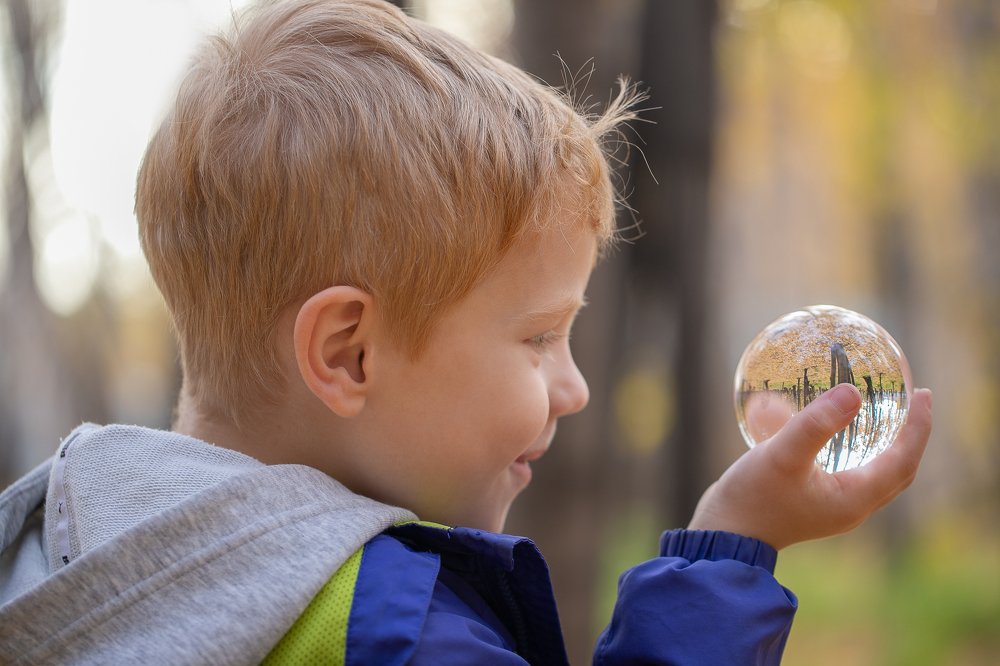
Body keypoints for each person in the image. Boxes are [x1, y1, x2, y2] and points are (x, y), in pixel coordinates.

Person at [0, 0, 933, 663]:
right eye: (537, 339)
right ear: (346, 353)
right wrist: (732, 544)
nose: (575, 388)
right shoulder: (393, 631)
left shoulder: (57, 541)